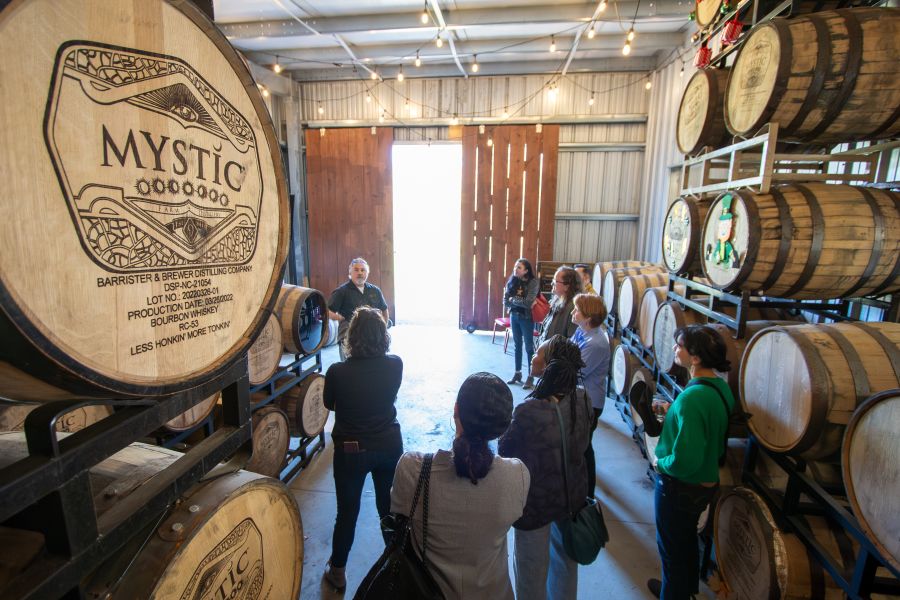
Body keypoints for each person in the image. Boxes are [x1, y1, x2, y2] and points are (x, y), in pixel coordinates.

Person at [390, 372, 530, 599]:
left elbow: (396, 514)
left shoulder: (412, 469)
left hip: (426, 591)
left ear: (456, 411)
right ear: (503, 427)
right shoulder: (518, 475)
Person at [637, 325, 735, 600]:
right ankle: (684, 589)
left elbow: (684, 460)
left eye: (679, 345)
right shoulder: (718, 388)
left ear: (695, 357)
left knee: (670, 550)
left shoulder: (692, 398)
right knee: (686, 543)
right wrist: (674, 413)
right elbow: (704, 426)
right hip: (705, 481)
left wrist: (660, 462)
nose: (674, 348)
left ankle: (674, 592)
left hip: (680, 485)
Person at [499, 335, 592, 600]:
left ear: (550, 365)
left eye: (537, 353)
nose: (533, 356)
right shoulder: (582, 398)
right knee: (565, 566)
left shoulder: (529, 411)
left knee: (531, 573)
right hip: (570, 497)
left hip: (536, 505)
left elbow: (505, 450)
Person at [322, 307, 403, 591]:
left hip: (351, 449)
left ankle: (338, 572)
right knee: (389, 509)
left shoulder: (337, 371)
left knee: (347, 512)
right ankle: (396, 567)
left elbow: (329, 404)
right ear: (383, 335)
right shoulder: (396, 364)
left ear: (351, 336)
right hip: (388, 446)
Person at [570, 293, 610, 497]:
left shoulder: (596, 343)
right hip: (581, 397)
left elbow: (576, 371)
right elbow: (567, 350)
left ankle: (587, 494)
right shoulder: (582, 331)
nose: (573, 312)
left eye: (577, 310)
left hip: (590, 402)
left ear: (587, 317)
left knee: (585, 448)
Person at [328, 257, 390, 360]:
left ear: (367, 273)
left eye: (363, 270)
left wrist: (383, 328)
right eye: (356, 270)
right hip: (350, 334)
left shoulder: (375, 290)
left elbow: (384, 309)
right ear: (350, 272)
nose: (360, 273)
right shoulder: (341, 292)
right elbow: (327, 312)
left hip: (372, 333)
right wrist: (340, 318)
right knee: (350, 368)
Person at [504, 258, 540, 390]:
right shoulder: (513, 280)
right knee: (517, 345)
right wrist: (516, 301)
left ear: (526, 270)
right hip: (514, 316)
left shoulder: (533, 282)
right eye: (515, 266)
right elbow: (505, 300)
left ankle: (531, 376)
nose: (515, 269)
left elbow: (529, 302)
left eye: (519, 267)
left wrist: (514, 299)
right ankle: (517, 373)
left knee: (529, 348)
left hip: (527, 318)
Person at [537, 266, 580, 347]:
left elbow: (571, 342)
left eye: (555, 281)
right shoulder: (557, 300)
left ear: (567, 286)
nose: (551, 283)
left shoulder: (573, 308)